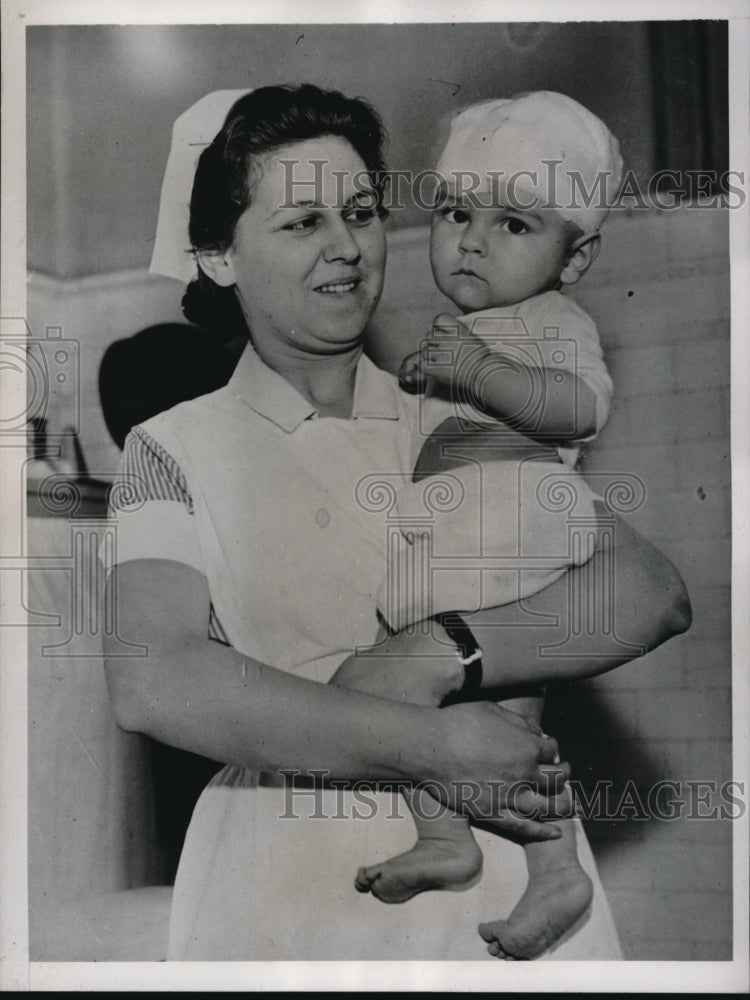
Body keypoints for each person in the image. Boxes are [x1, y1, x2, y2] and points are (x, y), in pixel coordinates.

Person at [103, 84, 690, 961]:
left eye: (363, 211)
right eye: (303, 222)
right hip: (293, 877)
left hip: (504, 870)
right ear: (219, 255)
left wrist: (443, 649)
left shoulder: (458, 407)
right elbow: (156, 678)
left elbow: (650, 594)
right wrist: (433, 742)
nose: (346, 247)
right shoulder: (172, 449)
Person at [334, 92, 629, 960]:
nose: (471, 238)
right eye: (457, 212)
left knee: (505, 725)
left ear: (576, 260)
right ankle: (446, 837)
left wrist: (481, 372)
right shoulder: (455, 334)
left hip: (512, 539)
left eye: (514, 224)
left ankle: (555, 866)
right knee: (411, 704)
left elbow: (576, 409)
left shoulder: (553, 322)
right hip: (439, 548)